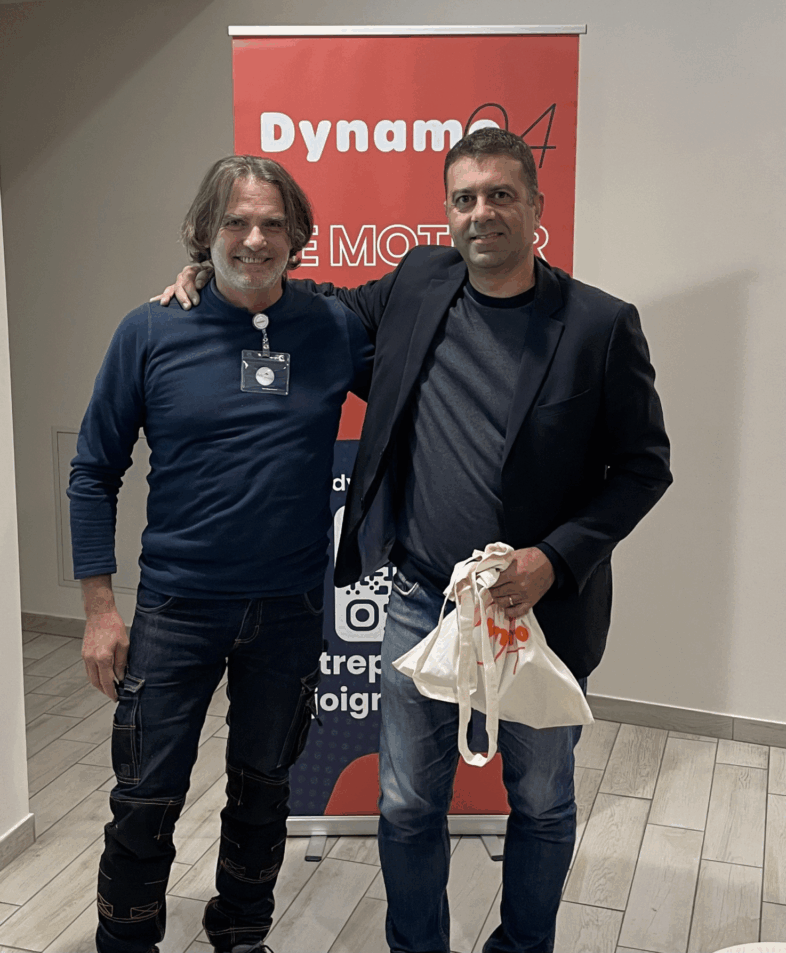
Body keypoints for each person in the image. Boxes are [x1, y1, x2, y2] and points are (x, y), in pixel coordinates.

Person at [164, 129, 672, 953]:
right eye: (465, 198)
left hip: (540, 614)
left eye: (501, 194)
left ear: (535, 206)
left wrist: (555, 557)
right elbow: (313, 301)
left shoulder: (599, 325)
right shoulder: (418, 282)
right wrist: (215, 278)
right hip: (420, 601)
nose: (482, 213)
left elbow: (645, 467)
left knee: (541, 802)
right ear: (447, 213)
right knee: (405, 805)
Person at [69, 155, 373, 953]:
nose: (254, 239)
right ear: (204, 231)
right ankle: (126, 942)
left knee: (264, 792)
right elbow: (93, 472)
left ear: (298, 236)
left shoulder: (334, 328)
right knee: (145, 797)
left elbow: (417, 379)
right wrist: (99, 611)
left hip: (290, 608)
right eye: (235, 222)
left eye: (273, 224)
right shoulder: (148, 331)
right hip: (177, 607)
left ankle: (240, 932)